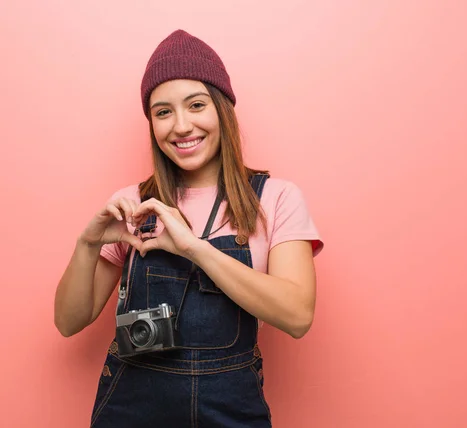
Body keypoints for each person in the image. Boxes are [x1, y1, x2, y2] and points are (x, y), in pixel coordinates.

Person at [54, 29, 324, 428]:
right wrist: (87, 243)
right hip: (130, 410)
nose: (181, 126)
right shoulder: (135, 204)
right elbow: (68, 321)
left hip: (232, 411)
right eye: (163, 112)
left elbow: (298, 316)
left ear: (222, 110)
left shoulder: (276, 198)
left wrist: (194, 248)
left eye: (196, 105)